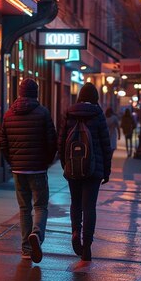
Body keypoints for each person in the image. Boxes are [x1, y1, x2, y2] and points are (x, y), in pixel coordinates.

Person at [0, 78, 57, 263]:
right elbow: (52, 141)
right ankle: (37, 235)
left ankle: (25, 249)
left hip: (18, 170)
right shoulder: (43, 113)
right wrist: (46, 162)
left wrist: (13, 162)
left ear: (20, 92)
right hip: (37, 169)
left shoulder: (9, 114)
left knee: (24, 209)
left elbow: (2, 142)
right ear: (35, 93)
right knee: (40, 206)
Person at [58, 82, 112, 261]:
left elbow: (62, 141)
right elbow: (106, 145)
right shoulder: (98, 115)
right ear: (95, 98)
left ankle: (75, 231)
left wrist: (65, 163)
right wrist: (106, 171)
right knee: (89, 206)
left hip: (73, 167)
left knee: (76, 203)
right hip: (93, 170)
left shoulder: (69, 113)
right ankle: (87, 245)